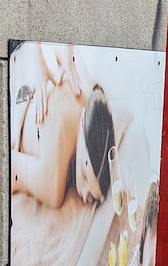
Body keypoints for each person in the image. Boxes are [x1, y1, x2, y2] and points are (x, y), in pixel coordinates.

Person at [11, 45, 116, 208]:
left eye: (91, 197)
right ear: (83, 123)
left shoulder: (87, 86)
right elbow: (9, 166)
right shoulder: (53, 188)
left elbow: (58, 48)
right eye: (85, 177)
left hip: (25, 53)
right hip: (16, 85)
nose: (84, 194)